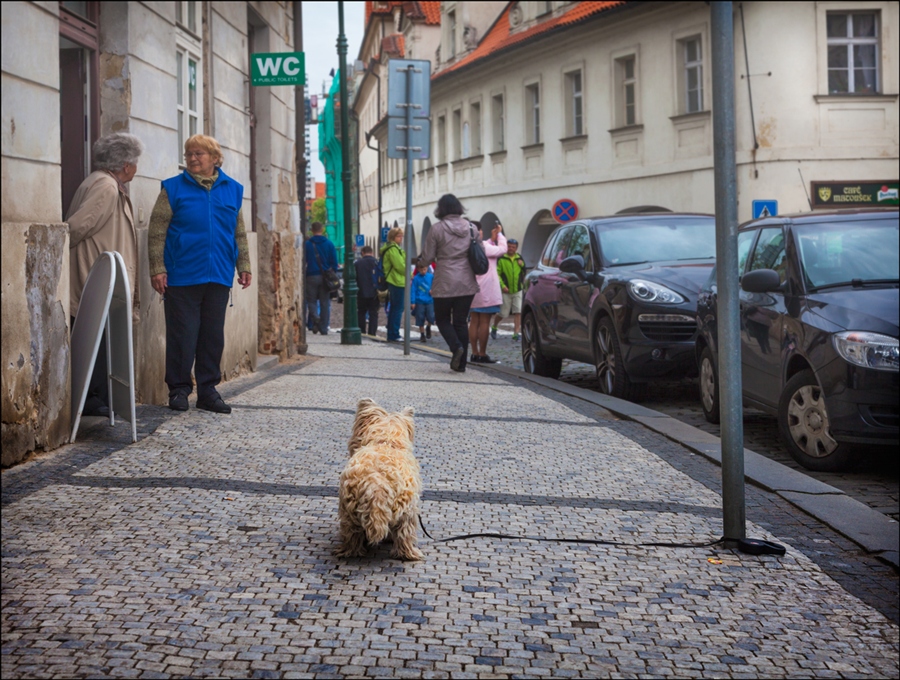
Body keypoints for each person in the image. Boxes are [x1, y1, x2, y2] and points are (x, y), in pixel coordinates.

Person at [149, 134, 252, 414]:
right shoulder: (173, 188)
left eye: (198, 154)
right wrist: (157, 268)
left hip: (218, 274)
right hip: (182, 274)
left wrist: (244, 265)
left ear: (215, 159)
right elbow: (157, 231)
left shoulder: (232, 189)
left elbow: (239, 232)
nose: (192, 159)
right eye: (189, 154)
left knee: (212, 337)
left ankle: (208, 391)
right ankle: (179, 390)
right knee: (182, 336)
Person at [68, 132, 144, 417]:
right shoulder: (106, 187)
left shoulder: (105, 183)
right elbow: (77, 226)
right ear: (126, 165)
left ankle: (97, 396)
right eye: (135, 163)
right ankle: (90, 398)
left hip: (99, 275)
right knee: (96, 339)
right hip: (95, 276)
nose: (136, 168)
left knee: (100, 337)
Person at [417, 194, 483, 372]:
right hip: (466, 280)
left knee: (442, 319)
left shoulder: (437, 229)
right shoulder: (472, 228)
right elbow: (480, 252)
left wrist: (420, 262)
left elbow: (428, 257)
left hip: (445, 279)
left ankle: (456, 347)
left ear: (441, 209)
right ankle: (461, 365)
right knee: (461, 321)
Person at [468, 220, 507, 363]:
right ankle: (482, 353)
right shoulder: (483, 246)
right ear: (477, 231)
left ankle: (474, 352)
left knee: (474, 321)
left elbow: (489, 247)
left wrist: (492, 239)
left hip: (472, 288)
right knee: (484, 321)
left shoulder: (467, 246)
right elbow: (502, 249)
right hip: (487, 289)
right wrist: (500, 235)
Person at [304, 221, 339, 335]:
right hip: (325, 277)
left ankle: (315, 316)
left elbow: (303, 261)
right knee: (325, 302)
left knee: (311, 300)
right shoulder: (329, 244)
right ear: (322, 230)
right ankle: (323, 328)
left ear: (312, 230)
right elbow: (334, 263)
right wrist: (331, 273)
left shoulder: (307, 244)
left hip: (311, 275)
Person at [492, 237, 526, 341]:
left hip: (518, 290)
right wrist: (502, 286)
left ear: (516, 248)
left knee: (518, 312)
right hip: (506, 291)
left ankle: (516, 333)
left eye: (513, 247)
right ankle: (494, 327)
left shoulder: (519, 258)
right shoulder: (502, 259)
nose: (511, 248)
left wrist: (522, 265)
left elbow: (524, 271)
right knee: (503, 314)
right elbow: (497, 274)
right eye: (509, 246)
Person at [380, 227, 407, 342]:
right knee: (397, 308)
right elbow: (400, 266)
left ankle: (392, 332)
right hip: (396, 280)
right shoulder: (393, 249)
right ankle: (394, 333)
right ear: (393, 237)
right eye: (399, 236)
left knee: (396, 308)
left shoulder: (394, 248)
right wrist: (410, 273)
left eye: (401, 236)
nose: (401, 238)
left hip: (397, 280)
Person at [354, 245, 380, 336]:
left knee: (361, 312)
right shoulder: (376, 262)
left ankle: (362, 331)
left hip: (361, 291)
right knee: (373, 313)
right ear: (372, 253)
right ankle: (372, 333)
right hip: (374, 292)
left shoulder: (357, 263)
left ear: (362, 253)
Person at [410, 261, 434, 343]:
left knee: (431, 316)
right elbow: (413, 290)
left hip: (429, 300)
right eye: (421, 270)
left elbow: (435, 285)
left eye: (424, 269)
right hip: (419, 301)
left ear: (427, 268)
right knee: (420, 318)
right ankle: (422, 334)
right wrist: (413, 301)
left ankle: (428, 327)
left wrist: (433, 290)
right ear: (418, 269)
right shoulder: (416, 279)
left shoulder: (431, 276)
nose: (423, 271)